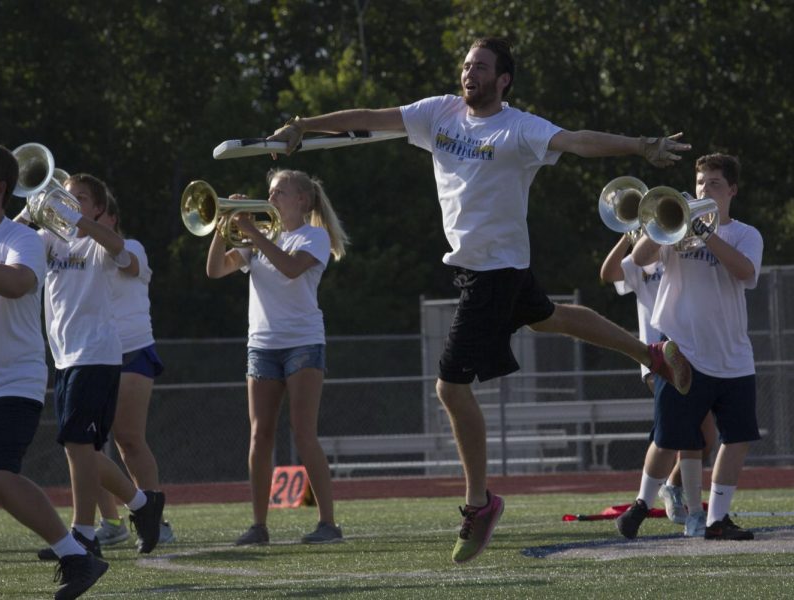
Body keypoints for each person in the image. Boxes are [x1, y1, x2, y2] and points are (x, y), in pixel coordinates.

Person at [267, 37, 693, 563]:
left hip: (493, 272)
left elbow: (579, 140)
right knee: (551, 319)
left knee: (450, 388)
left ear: (504, 80)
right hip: (486, 267)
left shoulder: (519, 127)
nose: (469, 73)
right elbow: (371, 117)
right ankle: (649, 353)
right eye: (467, 65)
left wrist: (640, 145)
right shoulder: (437, 114)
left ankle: (479, 502)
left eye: (481, 67)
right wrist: (304, 126)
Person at [16, 173, 166, 558]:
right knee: (78, 449)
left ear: (100, 209)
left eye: (80, 198)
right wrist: (28, 211)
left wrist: (78, 219)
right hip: (64, 357)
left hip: (96, 355)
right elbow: (11, 243)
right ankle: (138, 506)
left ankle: (84, 534)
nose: (68, 203)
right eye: (65, 197)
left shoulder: (99, 244)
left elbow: (123, 254)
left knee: (80, 444)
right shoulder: (50, 240)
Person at [616, 152, 763, 541]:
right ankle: (641, 504)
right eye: (700, 183)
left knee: (737, 438)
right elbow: (639, 259)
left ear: (731, 189)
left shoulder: (745, 234)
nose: (704, 189)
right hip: (681, 349)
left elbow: (746, 272)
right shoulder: (674, 230)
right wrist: (664, 226)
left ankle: (717, 519)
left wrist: (707, 233)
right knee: (668, 436)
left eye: (713, 183)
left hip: (732, 354)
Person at [0, 144, 107, 599]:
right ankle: (77, 557)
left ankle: (76, 555)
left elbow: (18, 283)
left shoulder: (23, 240)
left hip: (12, 379)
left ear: (0, 188)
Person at [206, 168, 348, 546]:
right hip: (262, 344)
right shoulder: (261, 238)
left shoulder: (313, 236)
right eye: (270, 191)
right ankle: (258, 525)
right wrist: (224, 228)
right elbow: (215, 269)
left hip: (303, 342)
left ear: (301, 200)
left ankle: (328, 523)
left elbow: (289, 269)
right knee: (259, 435)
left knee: (303, 433)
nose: (270, 198)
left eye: (279, 192)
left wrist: (252, 233)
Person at [600, 234, 716, 527]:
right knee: (687, 431)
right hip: (656, 357)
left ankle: (672, 489)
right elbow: (607, 274)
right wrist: (627, 238)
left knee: (706, 438)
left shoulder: (679, 255)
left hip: (692, 352)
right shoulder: (639, 266)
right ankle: (689, 510)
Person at [92, 194, 175, 548]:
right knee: (84, 444)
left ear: (109, 215)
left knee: (128, 437)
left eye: (82, 201)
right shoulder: (75, 252)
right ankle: (110, 522)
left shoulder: (133, 246)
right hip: (92, 354)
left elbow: (127, 263)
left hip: (131, 351)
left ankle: (155, 518)